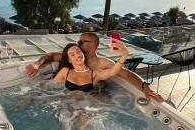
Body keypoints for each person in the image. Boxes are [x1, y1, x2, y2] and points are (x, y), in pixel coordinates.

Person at [25, 32, 163, 101]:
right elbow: (50, 56)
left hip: (89, 95)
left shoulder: (102, 63)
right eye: (78, 41)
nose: (78, 44)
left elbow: (126, 74)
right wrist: (37, 65)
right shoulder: (72, 57)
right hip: (61, 90)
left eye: (82, 41)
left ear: (93, 44)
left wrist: (145, 87)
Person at [52, 40, 128, 91]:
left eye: (79, 52)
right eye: (72, 55)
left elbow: (112, 72)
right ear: (69, 60)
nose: (77, 55)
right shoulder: (65, 71)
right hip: (67, 107)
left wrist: (124, 55)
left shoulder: (94, 73)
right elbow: (50, 85)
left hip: (87, 108)